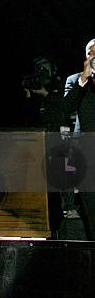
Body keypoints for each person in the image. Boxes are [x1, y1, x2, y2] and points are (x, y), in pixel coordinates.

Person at [63, 38, 95, 240]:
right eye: (92, 53)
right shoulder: (75, 80)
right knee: (91, 209)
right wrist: (84, 79)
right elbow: (66, 108)